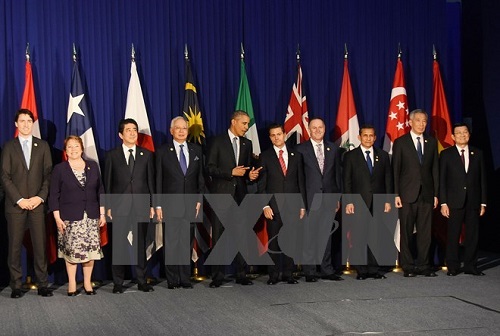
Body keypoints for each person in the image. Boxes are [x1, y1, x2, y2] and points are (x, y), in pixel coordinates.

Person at [1, 109, 53, 298]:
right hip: (16, 206)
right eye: (22, 121)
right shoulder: (8, 146)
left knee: (40, 246)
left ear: (33, 123)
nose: (25, 124)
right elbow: (4, 177)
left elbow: (48, 174)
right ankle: (16, 285)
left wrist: (39, 197)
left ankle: (43, 284)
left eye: (29, 120)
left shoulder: (43, 146)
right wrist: (20, 200)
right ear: (16, 124)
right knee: (14, 247)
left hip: (38, 205)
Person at [206, 110, 261, 288]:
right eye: (244, 124)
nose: (247, 127)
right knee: (219, 237)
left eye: (247, 124)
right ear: (233, 122)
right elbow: (209, 168)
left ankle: (241, 273)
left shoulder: (247, 143)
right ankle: (218, 276)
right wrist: (230, 172)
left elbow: (245, 171)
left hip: (240, 196)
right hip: (221, 195)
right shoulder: (217, 141)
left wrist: (250, 176)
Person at [49, 136, 105, 295]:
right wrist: (57, 217)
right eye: (69, 147)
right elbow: (54, 195)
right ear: (65, 151)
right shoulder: (60, 169)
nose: (73, 150)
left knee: (90, 252)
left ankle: (87, 283)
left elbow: (100, 190)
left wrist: (102, 213)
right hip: (70, 218)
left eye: (76, 146)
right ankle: (72, 283)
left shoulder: (92, 166)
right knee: (72, 253)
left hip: (91, 216)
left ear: (82, 148)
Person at [104, 118, 155, 293]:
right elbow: (108, 182)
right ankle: (118, 283)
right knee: (119, 245)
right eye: (128, 130)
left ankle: (142, 280)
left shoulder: (146, 155)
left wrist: (152, 205)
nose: (133, 133)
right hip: (119, 207)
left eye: (135, 129)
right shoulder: (112, 155)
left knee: (141, 245)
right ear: (121, 134)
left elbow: (151, 182)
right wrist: (108, 205)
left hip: (141, 206)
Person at [155, 117, 205, 289]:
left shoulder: (196, 150)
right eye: (178, 128)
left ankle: (185, 278)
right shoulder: (162, 152)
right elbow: (158, 179)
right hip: (169, 205)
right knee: (171, 242)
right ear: (171, 131)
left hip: (190, 205)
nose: (182, 131)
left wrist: (199, 199)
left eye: (184, 128)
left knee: (186, 243)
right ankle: (172, 279)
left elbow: (200, 178)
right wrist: (158, 205)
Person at [392, 109, 439, 277]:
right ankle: (408, 266)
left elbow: (435, 170)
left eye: (424, 121)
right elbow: (395, 170)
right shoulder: (400, 142)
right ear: (410, 122)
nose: (422, 124)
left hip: (426, 194)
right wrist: (396, 194)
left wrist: (435, 194)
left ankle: (424, 265)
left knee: (425, 232)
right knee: (406, 232)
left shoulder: (432, 142)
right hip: (406, 194)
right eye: (418, 120)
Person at [258, 123, 306, 285]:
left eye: (279, 134)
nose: (276, 137)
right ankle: (273, 275)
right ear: (270, 137)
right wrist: (265, 205)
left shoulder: (296, 155)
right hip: (273, 207)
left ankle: (288, 274)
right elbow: (261, 185)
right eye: (273, 135)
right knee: (274, 241)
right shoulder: (265, 156)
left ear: (285, 134)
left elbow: (301, 183)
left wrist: (301, 205)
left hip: (293, 206)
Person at [343, 125, 393, 280]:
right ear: (359, 137)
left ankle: (374, 269)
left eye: (371, 135)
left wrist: (388, 200)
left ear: (375, 137)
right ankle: (362, 271)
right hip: (358, 203)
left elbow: (388, 179)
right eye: (365, 135)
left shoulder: (383, 155)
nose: (368, 138)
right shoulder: (350, 156)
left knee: (376, 236)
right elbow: (347, 181)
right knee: (359, 237)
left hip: (378, 202)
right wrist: (349, 201)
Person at [296, 117, 343, 282]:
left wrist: (337, 198)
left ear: (324, 128)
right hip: (310, 199)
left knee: (326, 235)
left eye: (320, 127)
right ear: (309, 130)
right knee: (309, 235)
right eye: (314, 128)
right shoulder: (300, 149)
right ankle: (309, 270)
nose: (317, 130)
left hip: (329, 198)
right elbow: (299, 179)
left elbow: (337, 175)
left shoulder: (333, 148)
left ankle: (326, 269)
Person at [439, 122, 487, 276]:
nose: (462, 135)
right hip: (454, 201)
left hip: (473, 201)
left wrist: (483, 202)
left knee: (473, 235)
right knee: (453, 234)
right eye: (458, 133)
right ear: (453, 136)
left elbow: (482, 180)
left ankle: (470, 265)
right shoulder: (446, 154)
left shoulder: (478, 153)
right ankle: (452, 266)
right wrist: (443, 202)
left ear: (469, 134)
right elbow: (442, 180)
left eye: (465, 132)